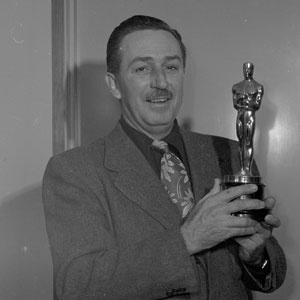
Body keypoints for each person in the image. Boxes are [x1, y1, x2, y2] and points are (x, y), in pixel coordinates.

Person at [43, 15, 286, 300]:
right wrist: (187, 240)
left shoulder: (230, 154)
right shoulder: (75, 171)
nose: (161, 82)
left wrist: (255, 254)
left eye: (171, 67)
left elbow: (272, 276)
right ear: (114, 85)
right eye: (143, 68)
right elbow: (76, 286)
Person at [232, 62, 264, 176]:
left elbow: (256, 105)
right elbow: (235, 104)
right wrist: (244, 103)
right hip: (240, 115)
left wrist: (245, 103)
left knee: (248, 141)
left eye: (249, 69)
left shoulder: (258, 87)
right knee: (241, 141)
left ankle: (247, 170)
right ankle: (242, 169)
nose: (247, 71)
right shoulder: (236, 86)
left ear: (252, 70)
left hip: (250, 114)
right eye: (245, 68)